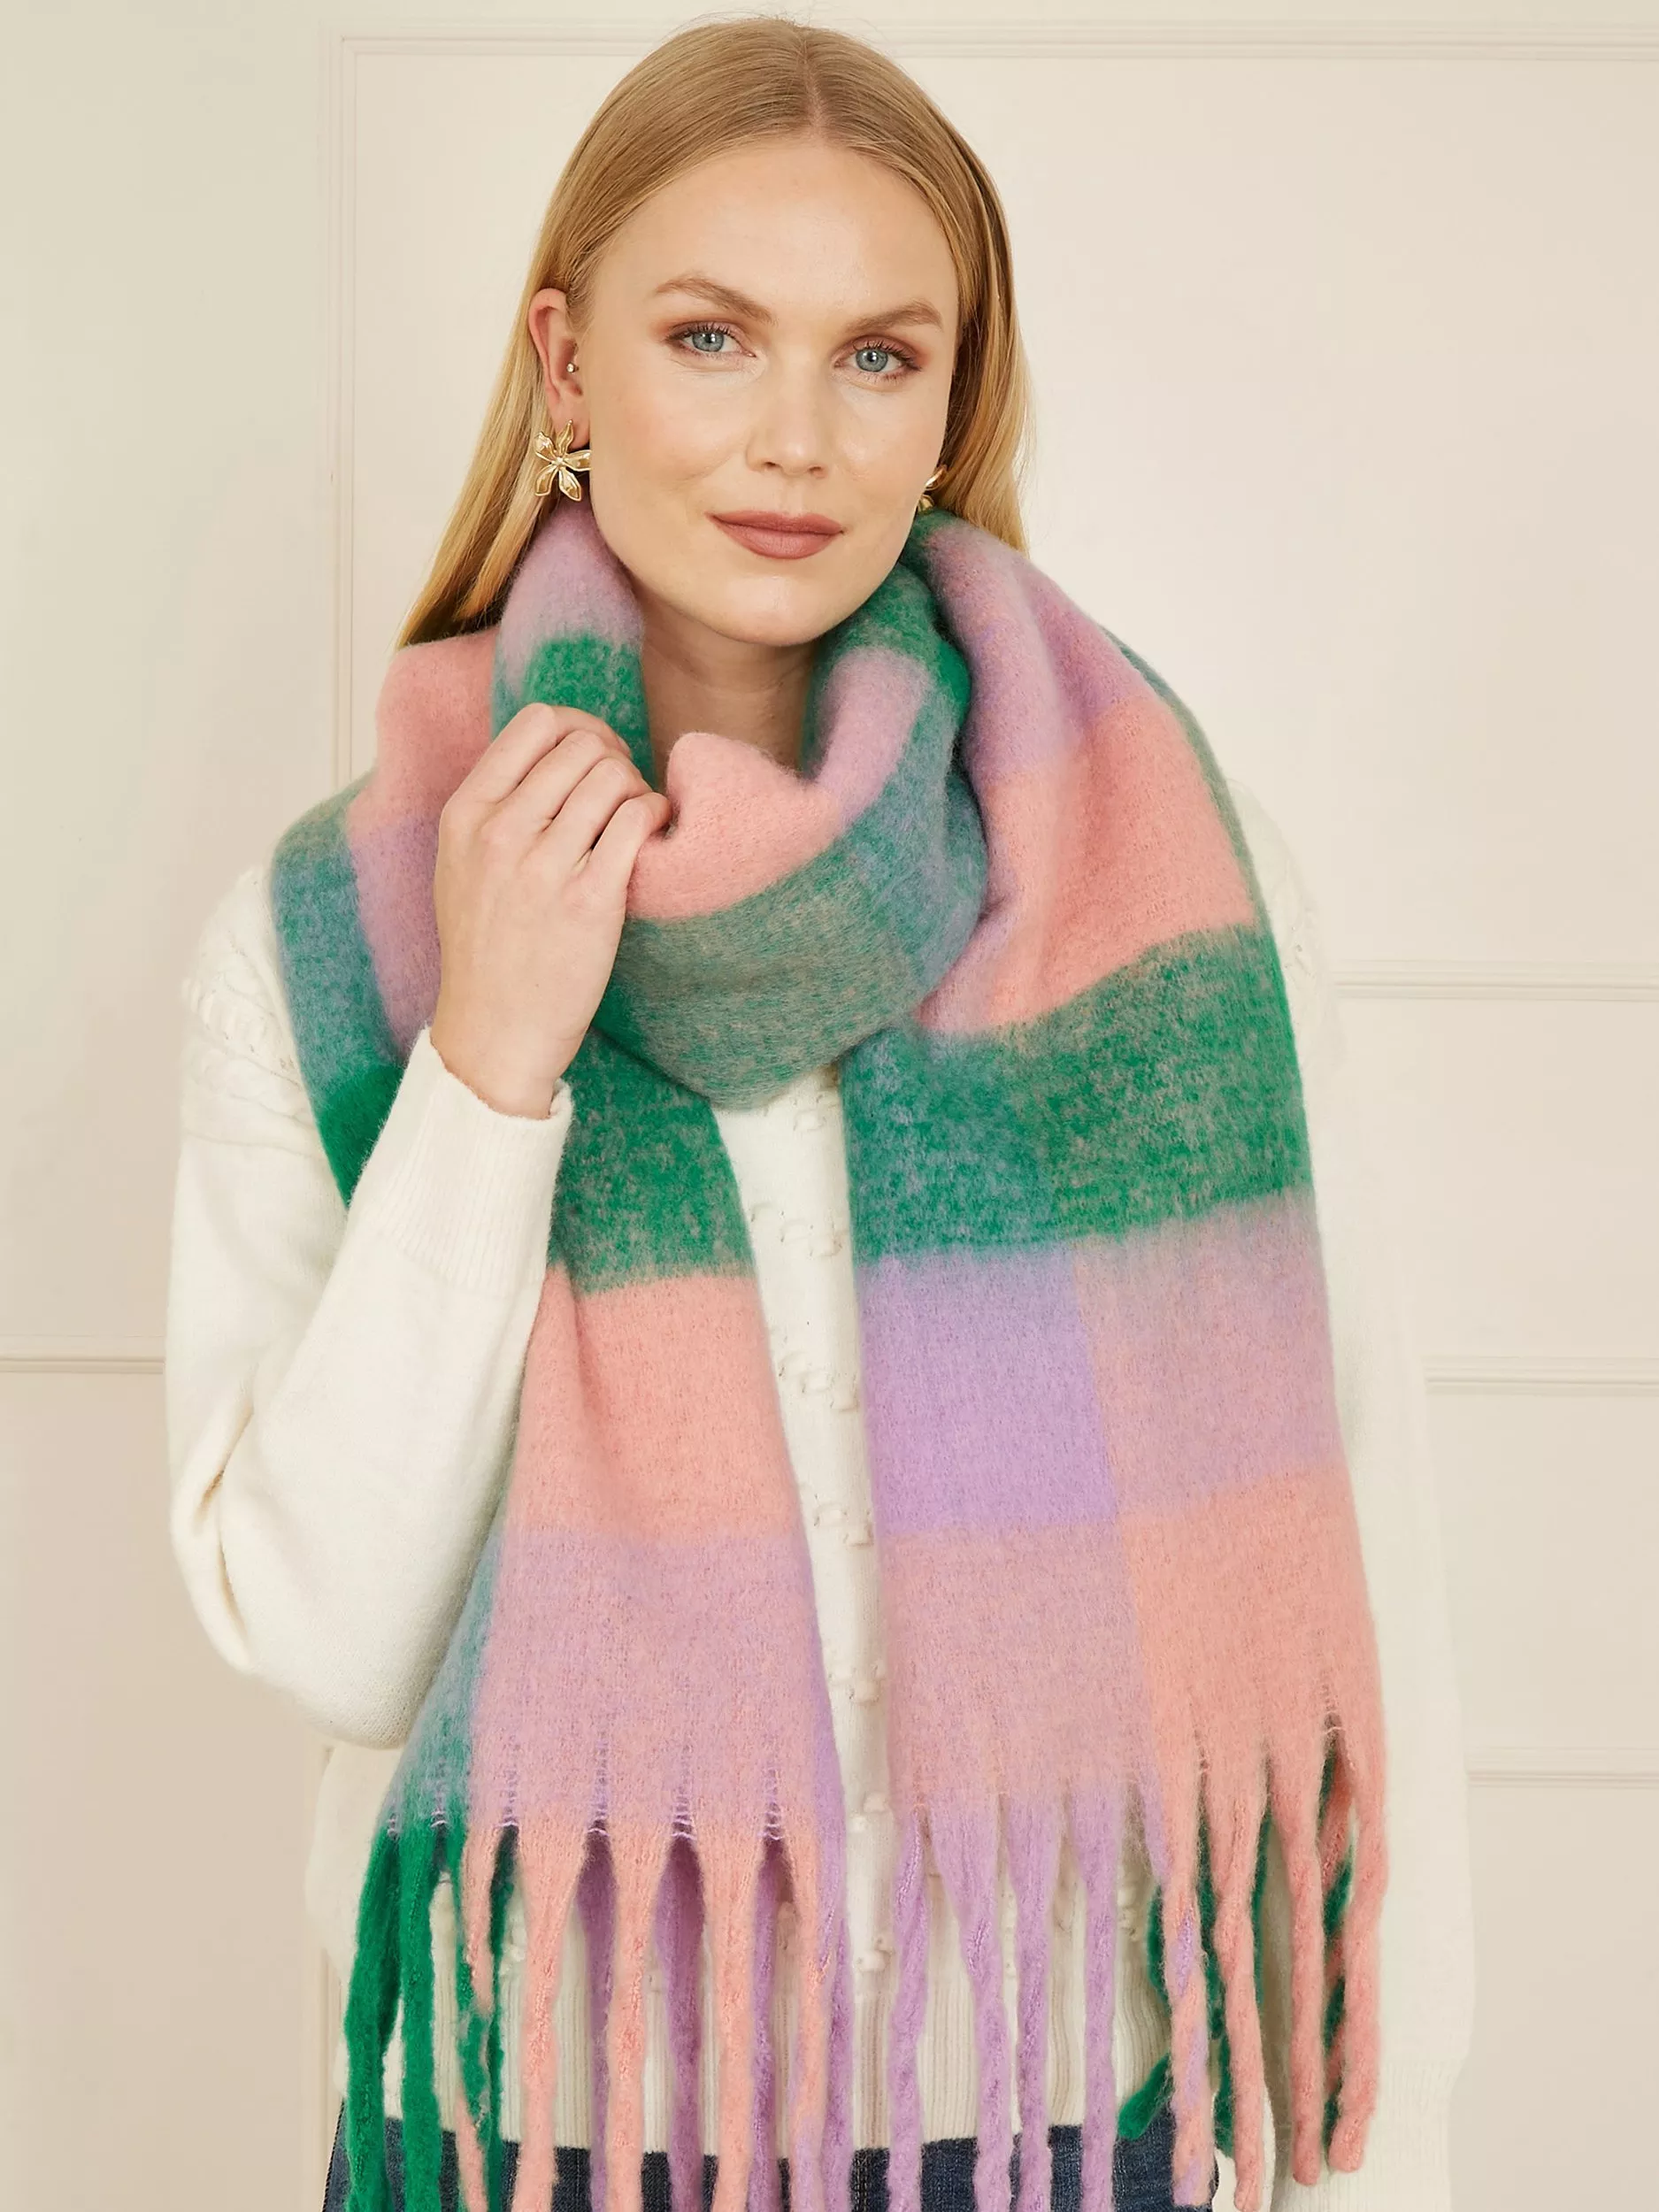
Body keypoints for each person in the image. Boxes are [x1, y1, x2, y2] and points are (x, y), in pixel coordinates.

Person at [164, 19, 1473, 2212]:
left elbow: (1364, 1545)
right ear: (566, 364)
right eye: (711, 336)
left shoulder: (1160, 870)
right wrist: (492, 1063)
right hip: (546, 2128)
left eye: (878, 356)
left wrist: (1389, 2145)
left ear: (951, 401)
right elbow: (334, 1636)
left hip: (1069, 2116)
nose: (795, 436)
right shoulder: (337, 928)